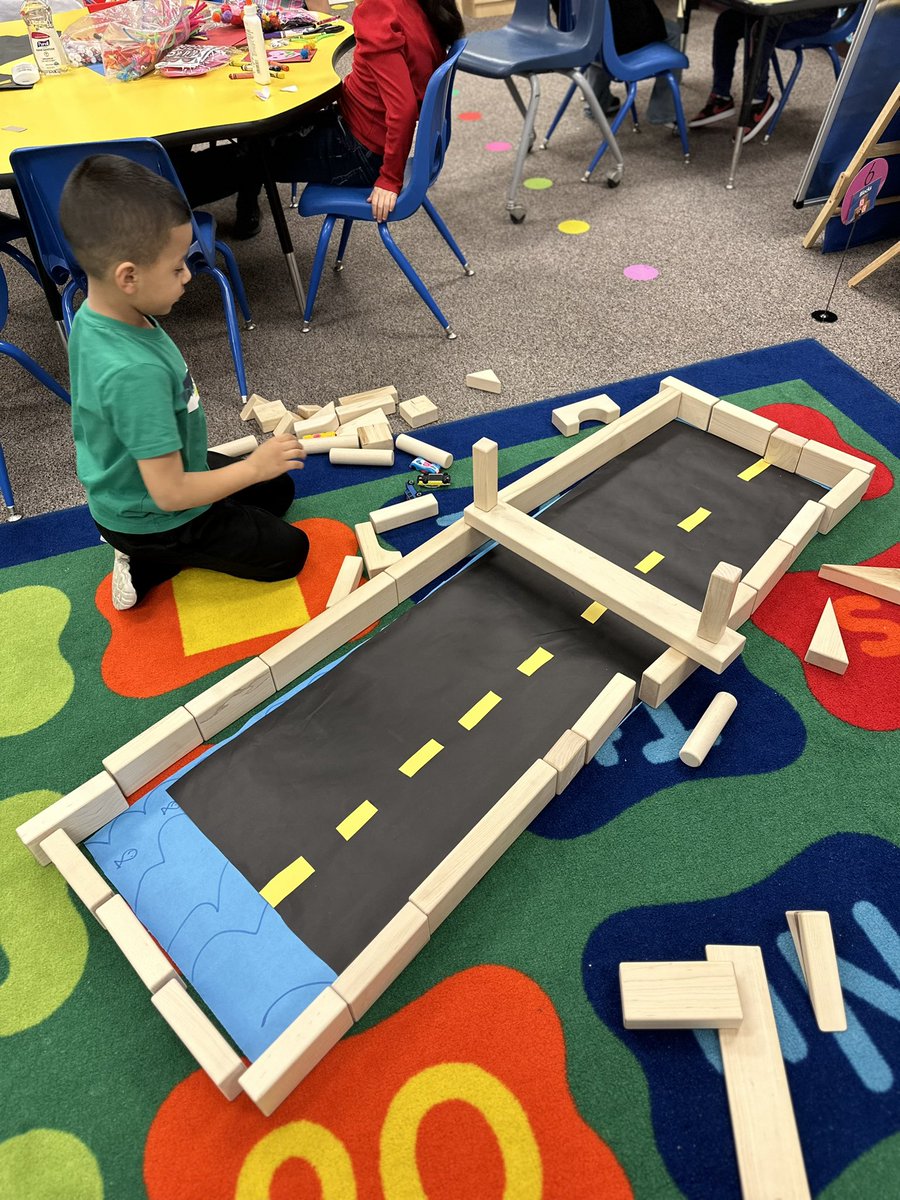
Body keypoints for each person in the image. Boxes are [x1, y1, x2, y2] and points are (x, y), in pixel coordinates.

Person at [59, 155, 310, 612]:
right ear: (128, 277)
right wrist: (251, 468)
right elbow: (171, 493)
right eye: (177, 267)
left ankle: (163, 539)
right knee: (290, 552)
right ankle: (148, 558)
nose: (189, 275)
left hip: (144, 480)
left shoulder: (98, 312)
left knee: (280, 490)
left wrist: (256, 472)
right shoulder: (134, 373)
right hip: (157, 514)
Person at [689, 8, 845, 143]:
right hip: (780, 7)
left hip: (816, 15)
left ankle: (759, 99)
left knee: (762, 28)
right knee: (728, 21)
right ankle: (721, 96)